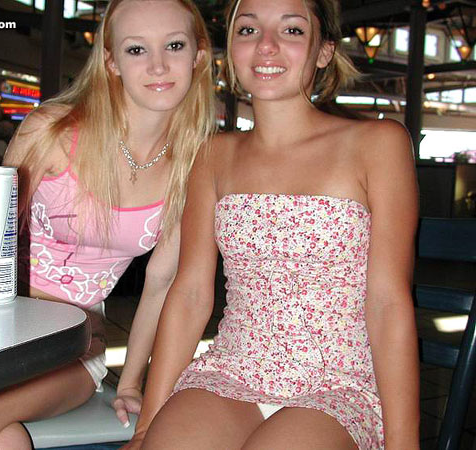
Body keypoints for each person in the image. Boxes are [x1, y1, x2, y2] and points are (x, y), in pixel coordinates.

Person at [128, 0, 420, 448]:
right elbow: (189, 294)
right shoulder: (213, 155)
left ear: (324, 50)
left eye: (292, 30)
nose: (266, 46)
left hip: (338, 385)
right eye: (248, 30)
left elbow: (387, 303)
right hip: (231, 371)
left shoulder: (378, 144)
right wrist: (147, 426)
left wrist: (403, 443)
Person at [0, 0, 214, 448]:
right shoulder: (53, 132)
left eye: (174, 45)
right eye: (137, 49)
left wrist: (130, 382)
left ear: (198, 55)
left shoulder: (195, 164)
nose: (158, 65)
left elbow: (161, 283)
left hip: (75, 342)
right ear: (111, 61)